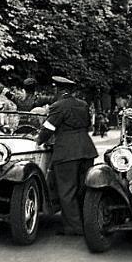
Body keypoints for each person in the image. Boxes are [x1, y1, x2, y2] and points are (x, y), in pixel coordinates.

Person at [37, 76, 98, 236]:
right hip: (86, 149)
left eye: (55, 89)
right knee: (83, 188)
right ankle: (86, 223)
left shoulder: (58, 106)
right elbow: (88, 125)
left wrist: (37, 140)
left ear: (59, 89)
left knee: (67, 190)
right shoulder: (83, 104)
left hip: (67, 151)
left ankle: (73, 227)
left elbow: (48, 128)